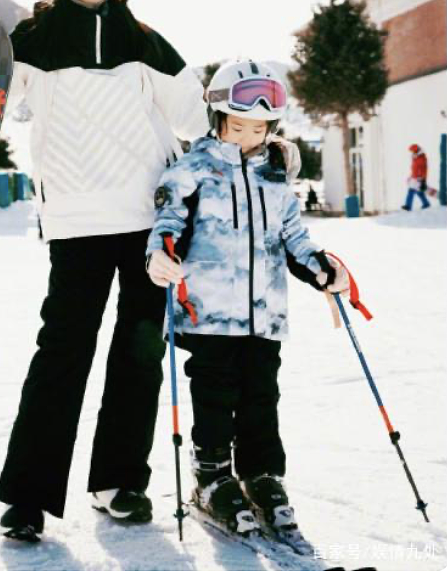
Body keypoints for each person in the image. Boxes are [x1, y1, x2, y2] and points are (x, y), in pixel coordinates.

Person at [0, 0, 211, 540]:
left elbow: (195, 118)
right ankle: (27, 496)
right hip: (75, 223)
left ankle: (118, 482)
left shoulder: (144, 40)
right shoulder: (35, 41)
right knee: (62, 355)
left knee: (138, 355)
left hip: (148, 223)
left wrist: (252, 151)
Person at [145, 60, 349, 542]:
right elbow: (167, 225)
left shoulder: (275, 175)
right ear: (217, 119)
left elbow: (293, 236)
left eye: (259, 128)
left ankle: (262, 476)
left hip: (265, 315)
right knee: (215, 397)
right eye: (239, 126)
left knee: (262, 397)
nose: (249, 136)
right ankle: (213, 478)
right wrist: (160, 255)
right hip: (209, 313)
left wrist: (320, 266)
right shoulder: (191, 170)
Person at [402, 144, 430, 211]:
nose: (411, 152)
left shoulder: (421, 158)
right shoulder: (415, 157)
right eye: (411, 151)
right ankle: (426, 204)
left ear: (416, 150)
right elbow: (414, 169)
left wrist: (423, 180)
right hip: (414, 178)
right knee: (419, 192)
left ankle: (408, 206)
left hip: (419, 178)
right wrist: (411, 177)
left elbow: (424, 169)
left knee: (411, 191)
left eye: (412, 151)